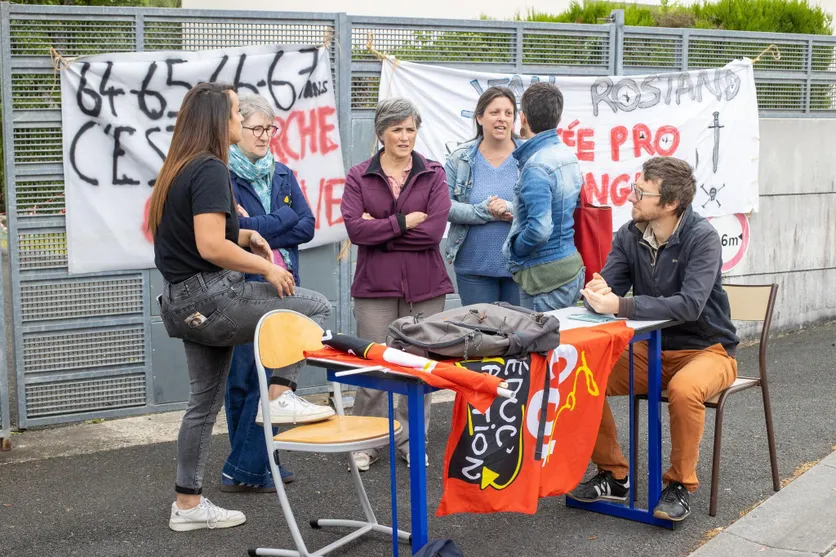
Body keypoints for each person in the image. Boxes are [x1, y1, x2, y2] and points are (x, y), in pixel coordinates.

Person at [149, 82, 333, 532]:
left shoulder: (179, 167)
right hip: (213, 296)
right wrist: (265, 267)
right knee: (315, 308)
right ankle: (279, 397)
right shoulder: (211, 167)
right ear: (218, 120)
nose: (239, 120)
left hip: (181, 303)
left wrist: (246, 234)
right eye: (234, 113)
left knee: (201, 406)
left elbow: (201, 236)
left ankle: (187, 506)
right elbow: (211, 246)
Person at [568, 156, 739, 522]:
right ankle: (614, 474)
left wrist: (621, 304)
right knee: (583, 375)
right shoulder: (630, 233)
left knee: (685, 389)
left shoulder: (702, 237)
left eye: (641, 192)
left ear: (670, 203)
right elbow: (610, 285)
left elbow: (691, 304)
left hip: (708, 349)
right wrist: (598, 289)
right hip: (652, 349)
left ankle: (679, 484)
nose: (631, 197)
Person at [340, 98, 454, 471]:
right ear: (381, 133)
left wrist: (381, 227)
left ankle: (410, 441)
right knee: (373, 366)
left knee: (417, 366)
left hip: (425, 286)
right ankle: (367, 440)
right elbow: (356, 231)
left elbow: (434, 232)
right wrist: (404, 222)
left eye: (410, 129)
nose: (405, 137)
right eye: (396, 129)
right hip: (374, 286)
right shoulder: (360, 175)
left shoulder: (433, 173)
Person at [220, 94, 318, 493]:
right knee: (243, 379)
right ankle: (250, 464)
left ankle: (258, 462)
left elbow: (308, 226)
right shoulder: (224, 176)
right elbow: (232, 235)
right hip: (243, 284)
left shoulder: (283, 174)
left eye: (269, 129)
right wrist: (283, 218)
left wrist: (260, 225)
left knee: (273, 372)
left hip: (283, 283)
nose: (264, 136)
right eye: (256, 129)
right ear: (237, 130)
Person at [503, 82, 584, 312]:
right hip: (568, 269)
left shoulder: (537, 166)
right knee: (564, 347)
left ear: (523, 118)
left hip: (545, 278)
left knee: (541, 347)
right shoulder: (567, 155)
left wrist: (515, 249)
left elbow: (540, 229)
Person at [445, 86, 522, 306]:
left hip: (519, 267)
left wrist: (509, 208)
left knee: (519, 336)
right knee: (482, 337)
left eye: (508, 113)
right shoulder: (460, 158)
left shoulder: (529, 157)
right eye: (494, 112)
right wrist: (484, 211)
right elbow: (444, 206)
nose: (502, 119)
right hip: (473, 268)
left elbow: (543, 207)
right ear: (479, 117)